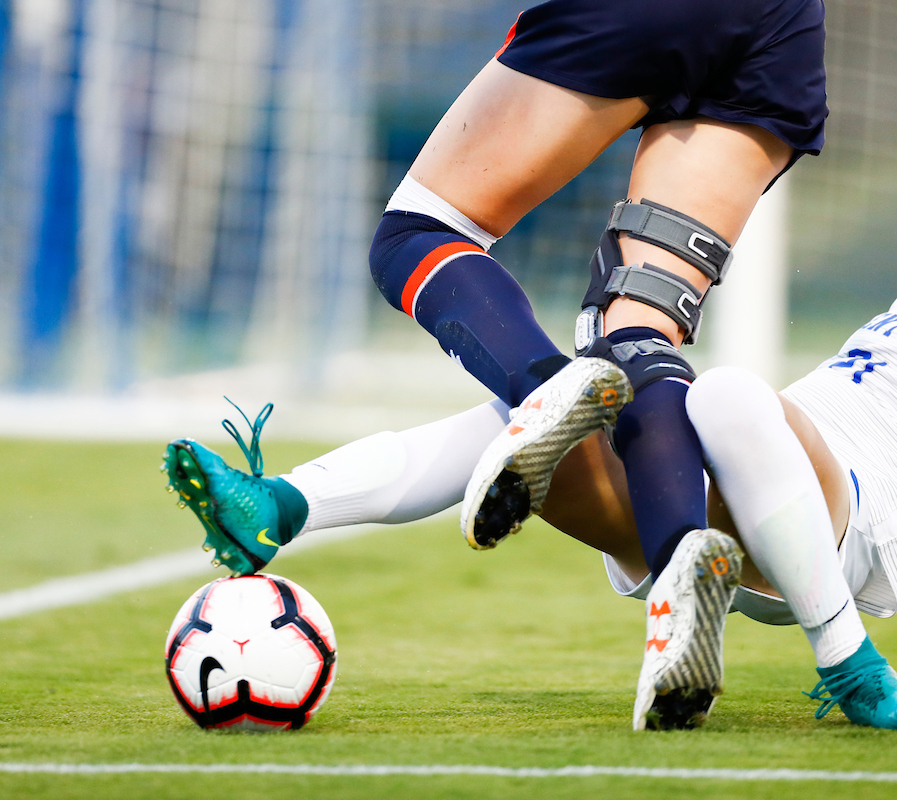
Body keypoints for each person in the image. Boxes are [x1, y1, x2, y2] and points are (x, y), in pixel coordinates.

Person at [164, 94, 897, 729]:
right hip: (726, 505)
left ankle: (852, 668)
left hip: (848, 531)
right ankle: (279, 503)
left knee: (731, 391)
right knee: (524, 417)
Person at [167, 0, 840, 730]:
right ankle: (682, 574)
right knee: (639, 328)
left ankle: (547, 388)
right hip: (780, 24)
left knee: (418, 231)